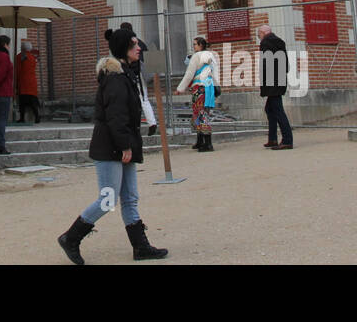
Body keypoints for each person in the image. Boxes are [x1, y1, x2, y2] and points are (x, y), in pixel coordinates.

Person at [56, 28, 168, 264]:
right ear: (123, 49)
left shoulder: (127, 74)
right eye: (134, 45)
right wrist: (125, 147)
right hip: (111, 148)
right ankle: (71, 238)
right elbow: (116, 117)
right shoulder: (116, 78)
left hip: (122, 145)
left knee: (130, 198)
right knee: (107, 200)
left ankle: (141, 247)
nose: (139, 48)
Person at [176, 36, 219, 152]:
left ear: (200, 45)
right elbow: (215, 72)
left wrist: (180, 88)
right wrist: (216, 86)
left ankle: (207, 143)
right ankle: (201, 140)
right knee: (203, 112)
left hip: (199, 87)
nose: (193, 46)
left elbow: (189, 74)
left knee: (200, 114)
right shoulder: (211, 56)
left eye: (195, 44)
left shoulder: (196, 56)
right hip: (209, 87)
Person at [258, 24, 293, 150]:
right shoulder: (280, 42)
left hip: (272, 83)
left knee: (278, 111)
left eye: (259, 35)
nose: (259, 37)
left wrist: (264, 82)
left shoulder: (265, 42)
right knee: (270, 109)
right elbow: (285, 63)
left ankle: (287, 140)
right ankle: (272, 139)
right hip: (280, 80)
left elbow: (266, 64)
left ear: (262, 33)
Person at [15, 39, 40, 123]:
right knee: (33, 102)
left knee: (22, 102)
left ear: (22, 48)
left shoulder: (20, 56)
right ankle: (37, 117)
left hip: (23, 82)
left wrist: (15, 81)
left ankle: (22, 118)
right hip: (32, 82)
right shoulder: (33, 57)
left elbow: (18, 70)